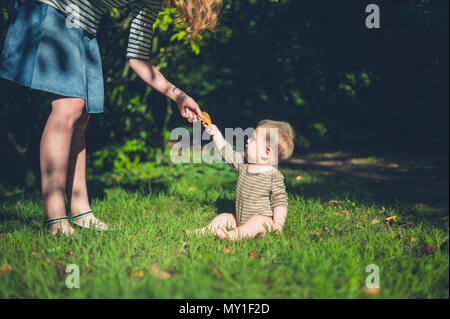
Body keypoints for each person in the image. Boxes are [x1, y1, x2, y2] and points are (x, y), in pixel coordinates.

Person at [0, 0, 223, 235]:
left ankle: (80, 210)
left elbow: (138, 57)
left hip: (84, 28)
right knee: (69, 107)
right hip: (55, 9)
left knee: (81, 116)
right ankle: (55, 218)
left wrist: (178, 96)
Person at [190, 120, 294, 240]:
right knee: (224, 217)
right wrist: (216, 134)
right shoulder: (244, 164)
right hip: (241, 220)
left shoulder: (273, 176)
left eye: (253, 140)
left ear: (266, 152)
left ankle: (232, 236)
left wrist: (278, 224)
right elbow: (228, 153)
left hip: (264, 225)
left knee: (257, 221)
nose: (248, 141)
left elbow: (280, 201)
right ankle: (204, 231)